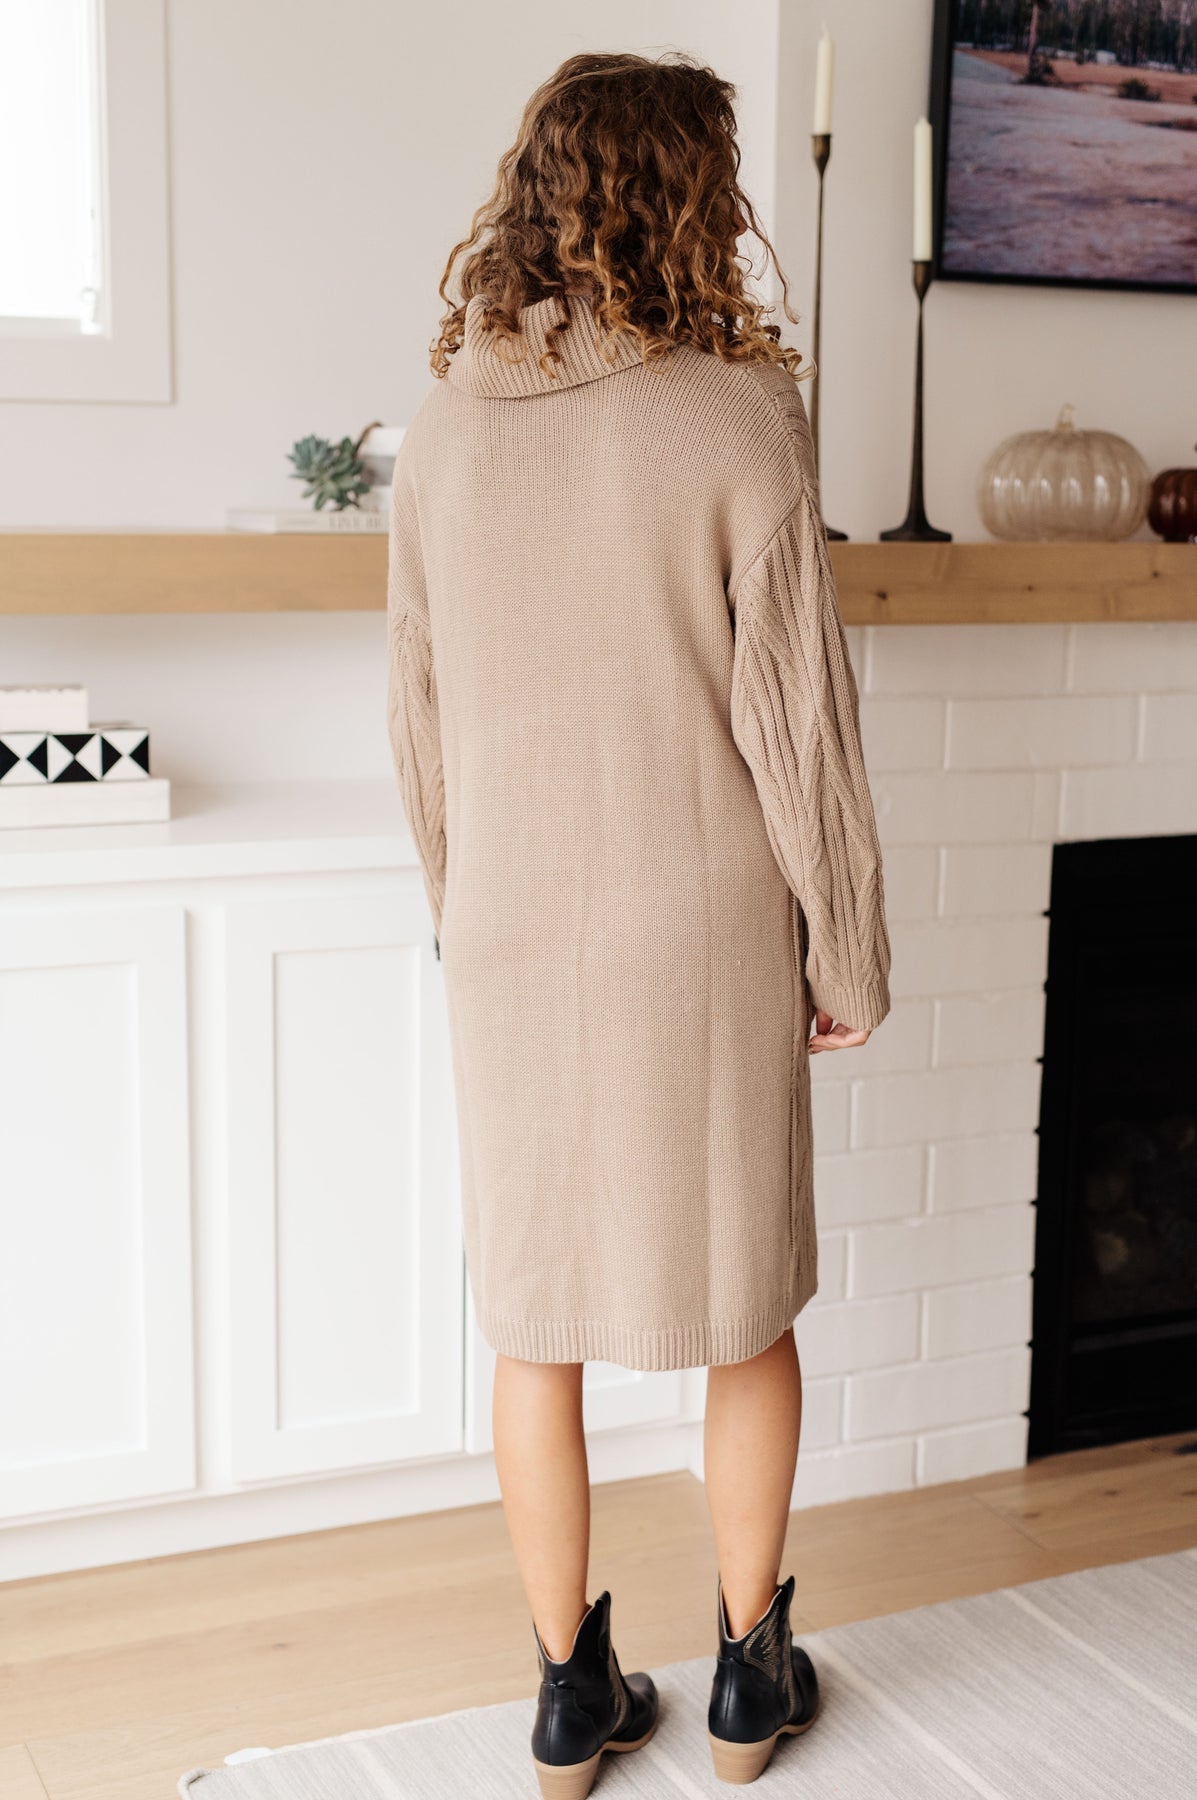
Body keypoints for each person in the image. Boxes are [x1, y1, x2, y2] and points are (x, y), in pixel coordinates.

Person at [387, 50, 890, 1797]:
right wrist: (847, 945)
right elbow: (798, 722)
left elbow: (418, 716)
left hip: (512, 927)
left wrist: (466, 907)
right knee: (742, 1310)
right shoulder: (739, 417)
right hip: (701, 928)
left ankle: (565, 1699)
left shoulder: (445, 427)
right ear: (696, 201)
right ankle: (750, 1682)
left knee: (533, 1323)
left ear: (531, 194)